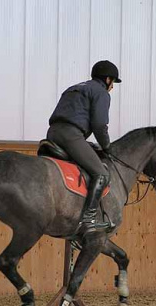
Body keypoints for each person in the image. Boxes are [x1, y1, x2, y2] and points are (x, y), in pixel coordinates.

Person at [47, 60, 121, 237]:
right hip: (71, 136)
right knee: (101, 173)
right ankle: (88, 220)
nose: (112, 88)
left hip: (52, 133)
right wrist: (107, 146)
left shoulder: (74, 88)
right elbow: (99, 124)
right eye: (113, 83)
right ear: (108, 79)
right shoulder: (101, 93)